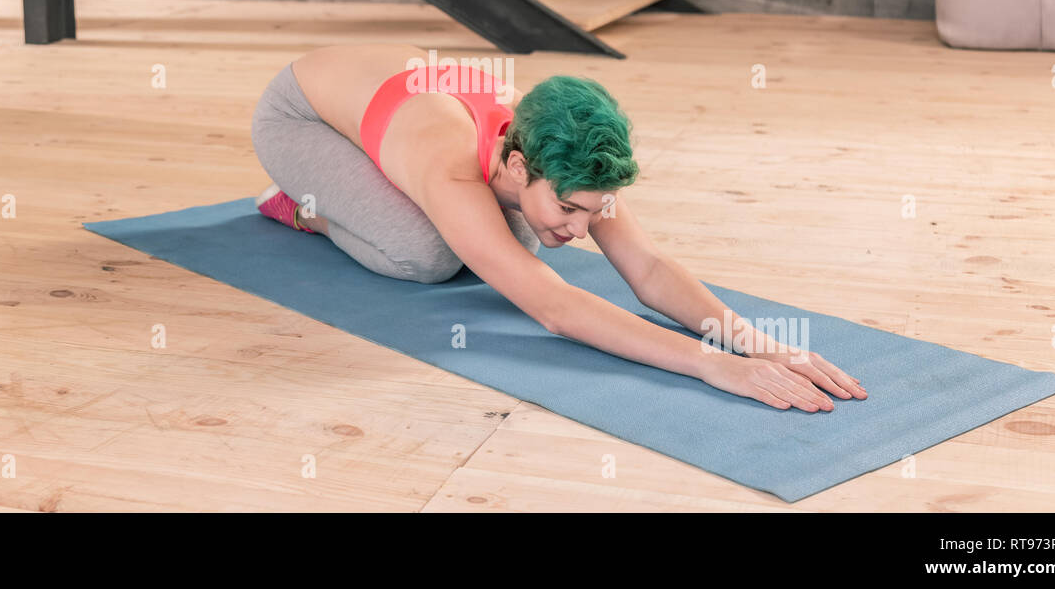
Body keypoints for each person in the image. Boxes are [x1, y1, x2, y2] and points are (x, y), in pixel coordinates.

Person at [251, 43, 866, 412]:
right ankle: (305, 206)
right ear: (518, 165)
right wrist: (711, 364)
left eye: (593, 211)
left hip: (385, 115)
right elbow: (555, 309)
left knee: (520, 233)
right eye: (572, 208)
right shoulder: (447, 158)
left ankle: (373, 188)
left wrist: (755, 341)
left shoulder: (560, 154)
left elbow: (646, 269)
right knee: (427, 255)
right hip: (301, 118)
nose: (581, 227)